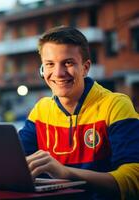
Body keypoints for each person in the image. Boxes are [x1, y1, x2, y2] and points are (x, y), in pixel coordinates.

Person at [19, 26, 139, 199]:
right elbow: (16, 164)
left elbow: (134, 180)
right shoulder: (40, 110)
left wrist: (65, 173)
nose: (58, 73)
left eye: (68, 63)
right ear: (42, 70)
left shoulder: (116, 105)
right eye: (50, 64)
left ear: (85, 68)